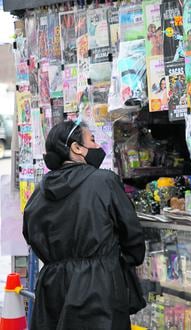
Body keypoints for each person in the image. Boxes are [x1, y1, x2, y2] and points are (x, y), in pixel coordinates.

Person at [23, 120, 145, 329]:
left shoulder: (39, 192)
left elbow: (30, 234)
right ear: (76, 148)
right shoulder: (103, 181)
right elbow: (131, 233)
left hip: (52, 287)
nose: (98, 146)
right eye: (92, 140)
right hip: (98, 287)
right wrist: (122, 261)